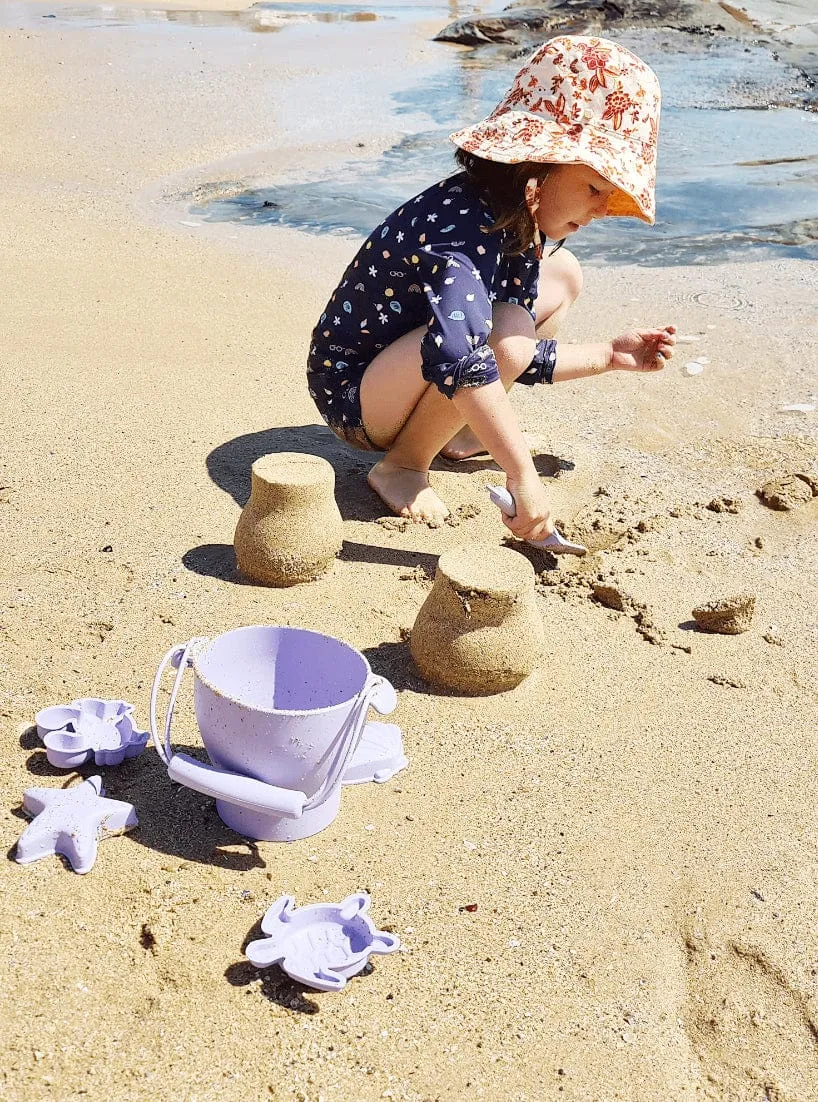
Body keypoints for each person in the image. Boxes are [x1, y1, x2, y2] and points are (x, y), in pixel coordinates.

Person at [307, 34, 676, 539]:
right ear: (535, 169)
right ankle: (404, 464)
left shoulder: (517, 220)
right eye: (594, 189)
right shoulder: (460, 227)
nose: (599, 211)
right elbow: (468, 353)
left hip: (415, 361)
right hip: (355, 394)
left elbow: (514, 356)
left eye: (609, 197)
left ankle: (455, 430)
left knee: (562, 277)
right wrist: (520, 475)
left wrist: (609, 355)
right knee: (506, 325)